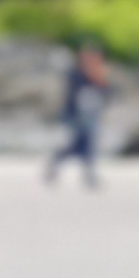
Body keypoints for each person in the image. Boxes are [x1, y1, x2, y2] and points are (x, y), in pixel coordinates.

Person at [48, 40, 113, 187]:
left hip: (92, 115)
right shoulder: (76, 73)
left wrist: (101, 84)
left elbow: (108, 92)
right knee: (81, 145)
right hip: (77, 115)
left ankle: (86, 174)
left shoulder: (97, 73)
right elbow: (73, 96)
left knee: (84, 145)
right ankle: (87, 174)